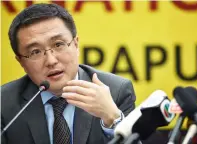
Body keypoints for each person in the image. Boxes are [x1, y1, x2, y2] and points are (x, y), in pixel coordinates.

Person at [1, 3, 136, 144]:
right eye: (35, 52)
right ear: (21, 61)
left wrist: (112, 118)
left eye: (58, 44)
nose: (51, 61)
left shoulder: (117, 92)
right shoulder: (4, 103)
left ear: (76, 44)